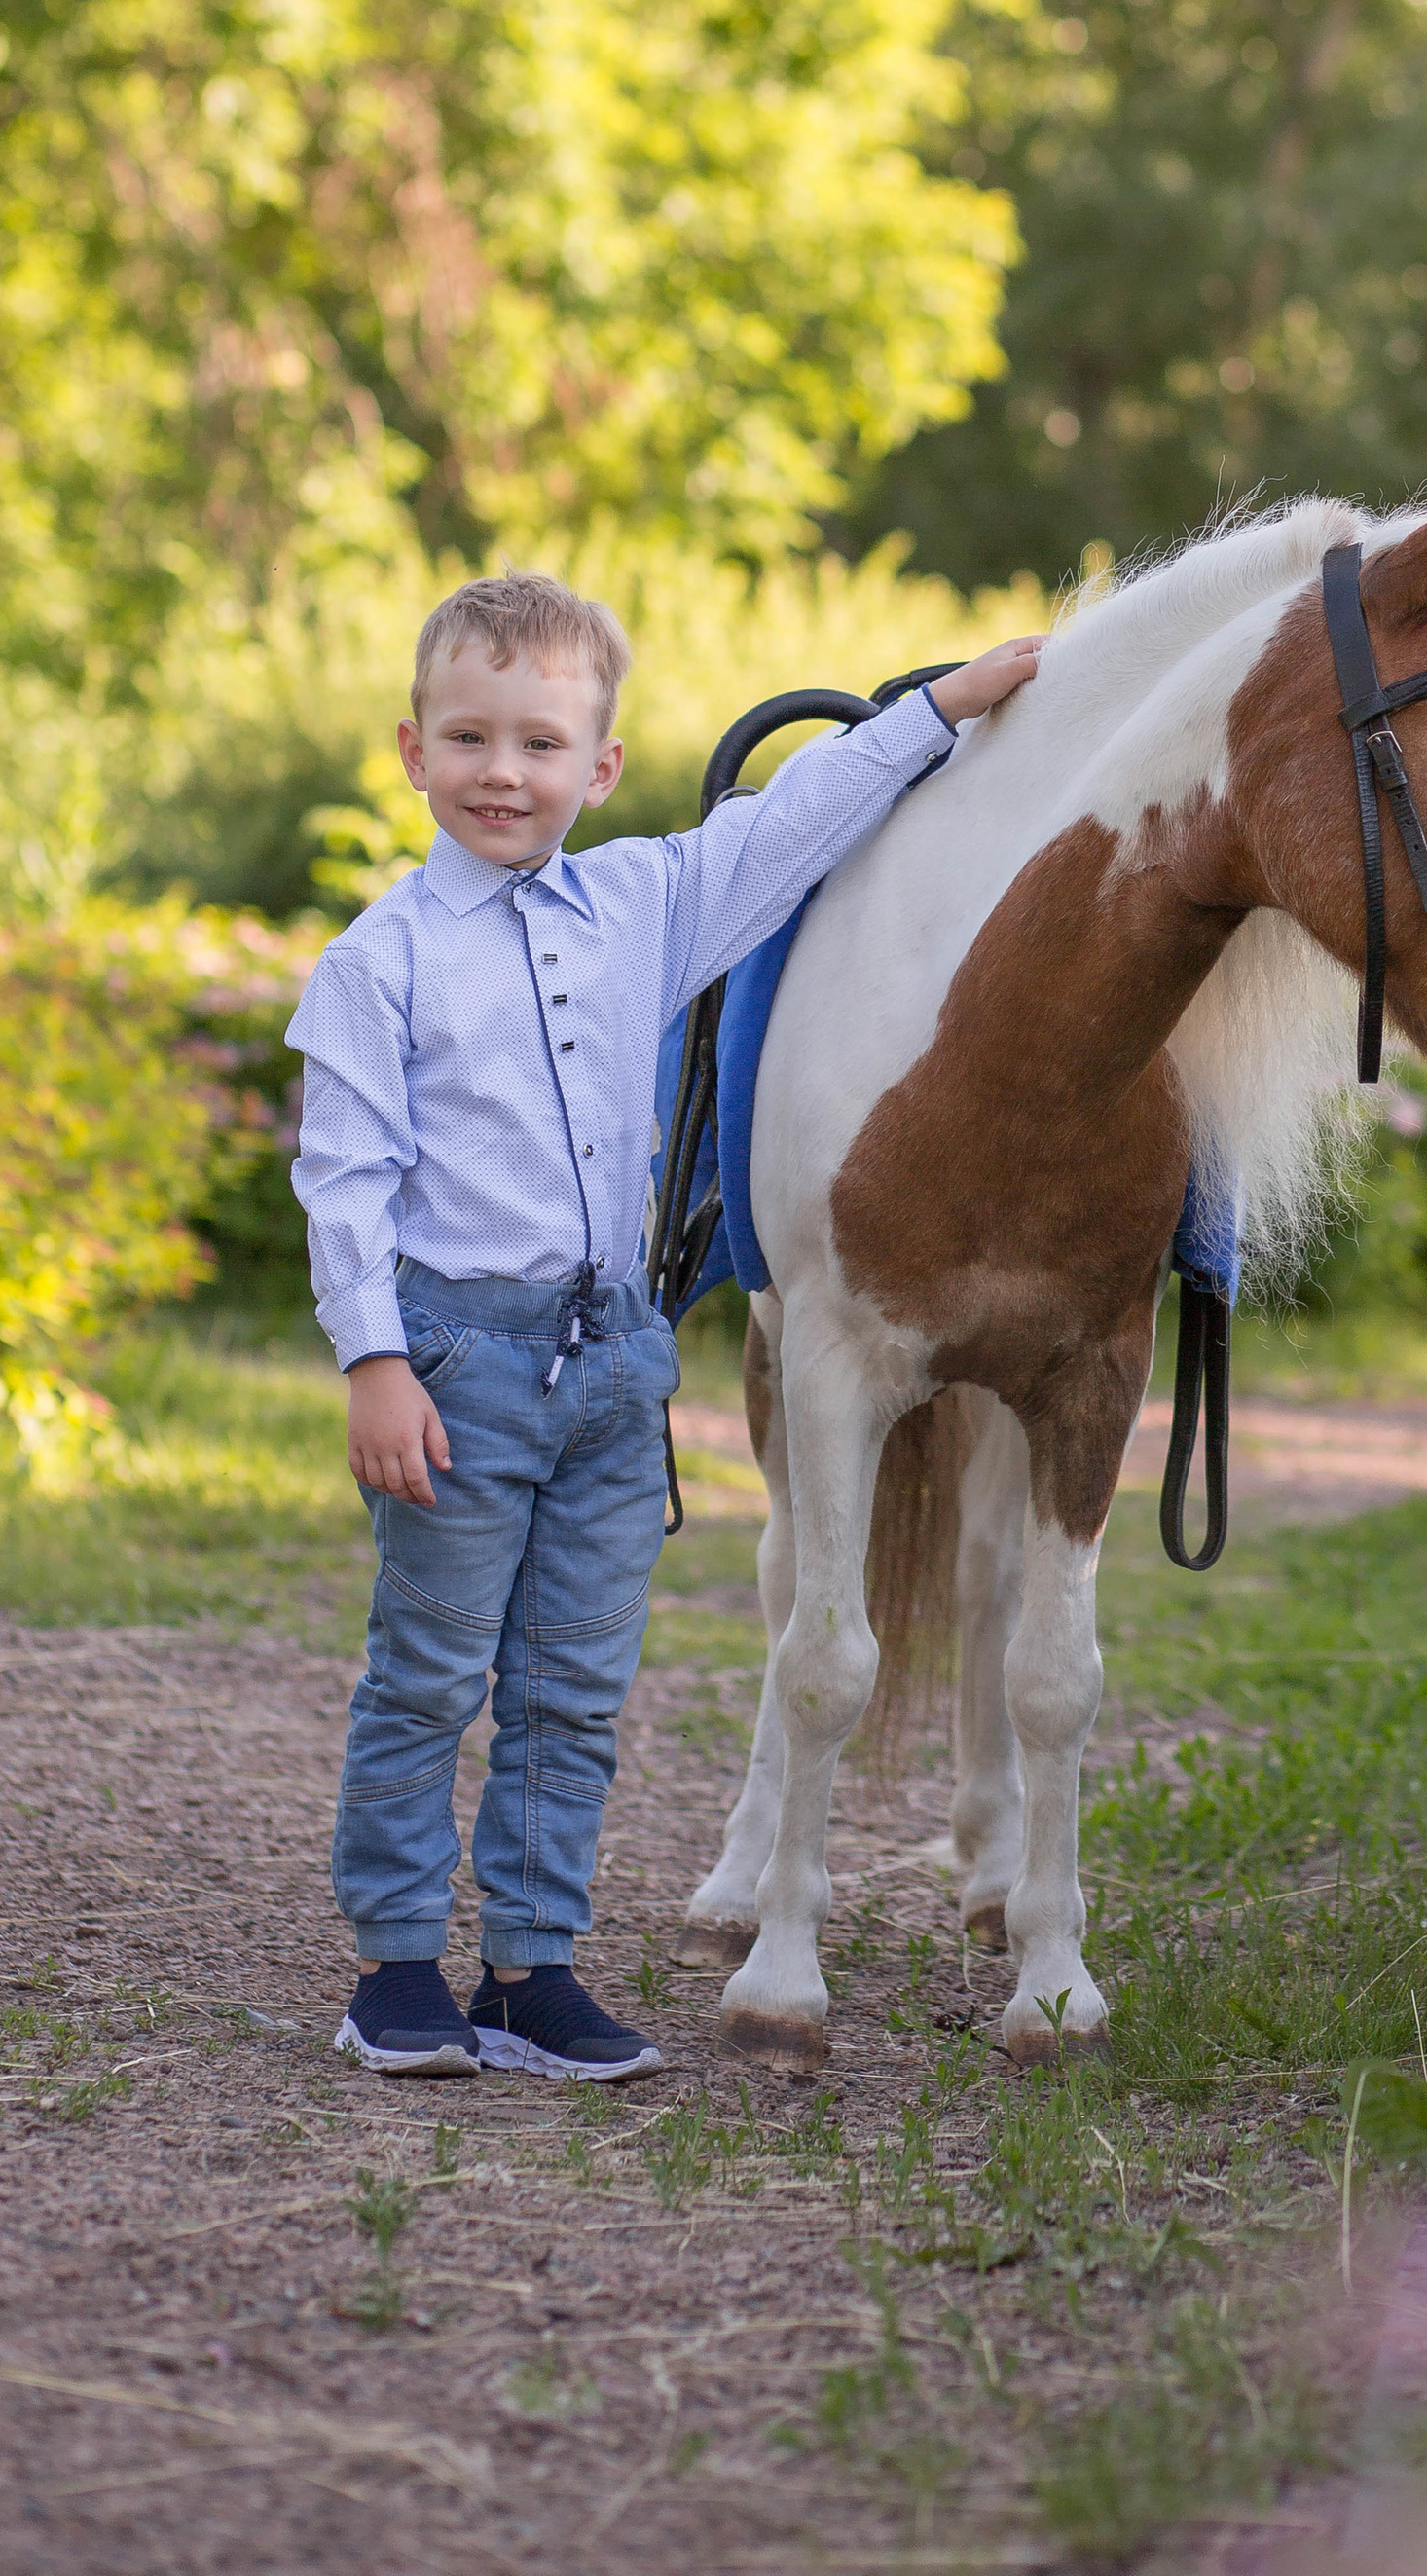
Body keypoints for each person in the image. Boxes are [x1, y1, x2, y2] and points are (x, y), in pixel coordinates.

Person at [288, 571, 1043, 2080]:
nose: (506, 774)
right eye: (471, 740)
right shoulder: (382, 962)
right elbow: (345, 1176)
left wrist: (935, 715)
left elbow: (792, 821)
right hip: (453, 1362)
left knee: (575, 1680)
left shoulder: (645, 905)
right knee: (435, 1669)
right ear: (412, 750)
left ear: (601, 766)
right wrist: (375, 1360)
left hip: (613, 1367)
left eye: (542, 745)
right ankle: (393, 1967)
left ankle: (531, 1965)